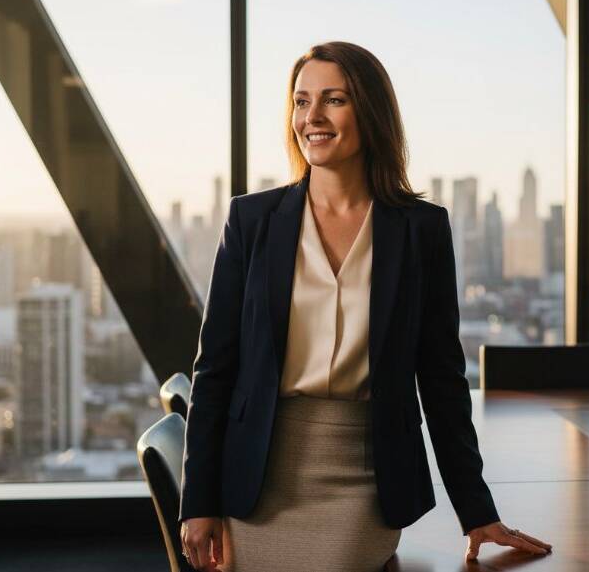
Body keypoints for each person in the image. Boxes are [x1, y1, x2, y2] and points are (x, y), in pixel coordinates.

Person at [178, 41, 552, 571]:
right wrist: (198, 503)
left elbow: (442, 379)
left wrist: (476, 511)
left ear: (370, 111)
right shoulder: (251, 221)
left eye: (334, 100)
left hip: (365, 477)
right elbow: (215, 370)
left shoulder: (421, 230)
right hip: (256, 477)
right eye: (301, 101)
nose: (313, 117)